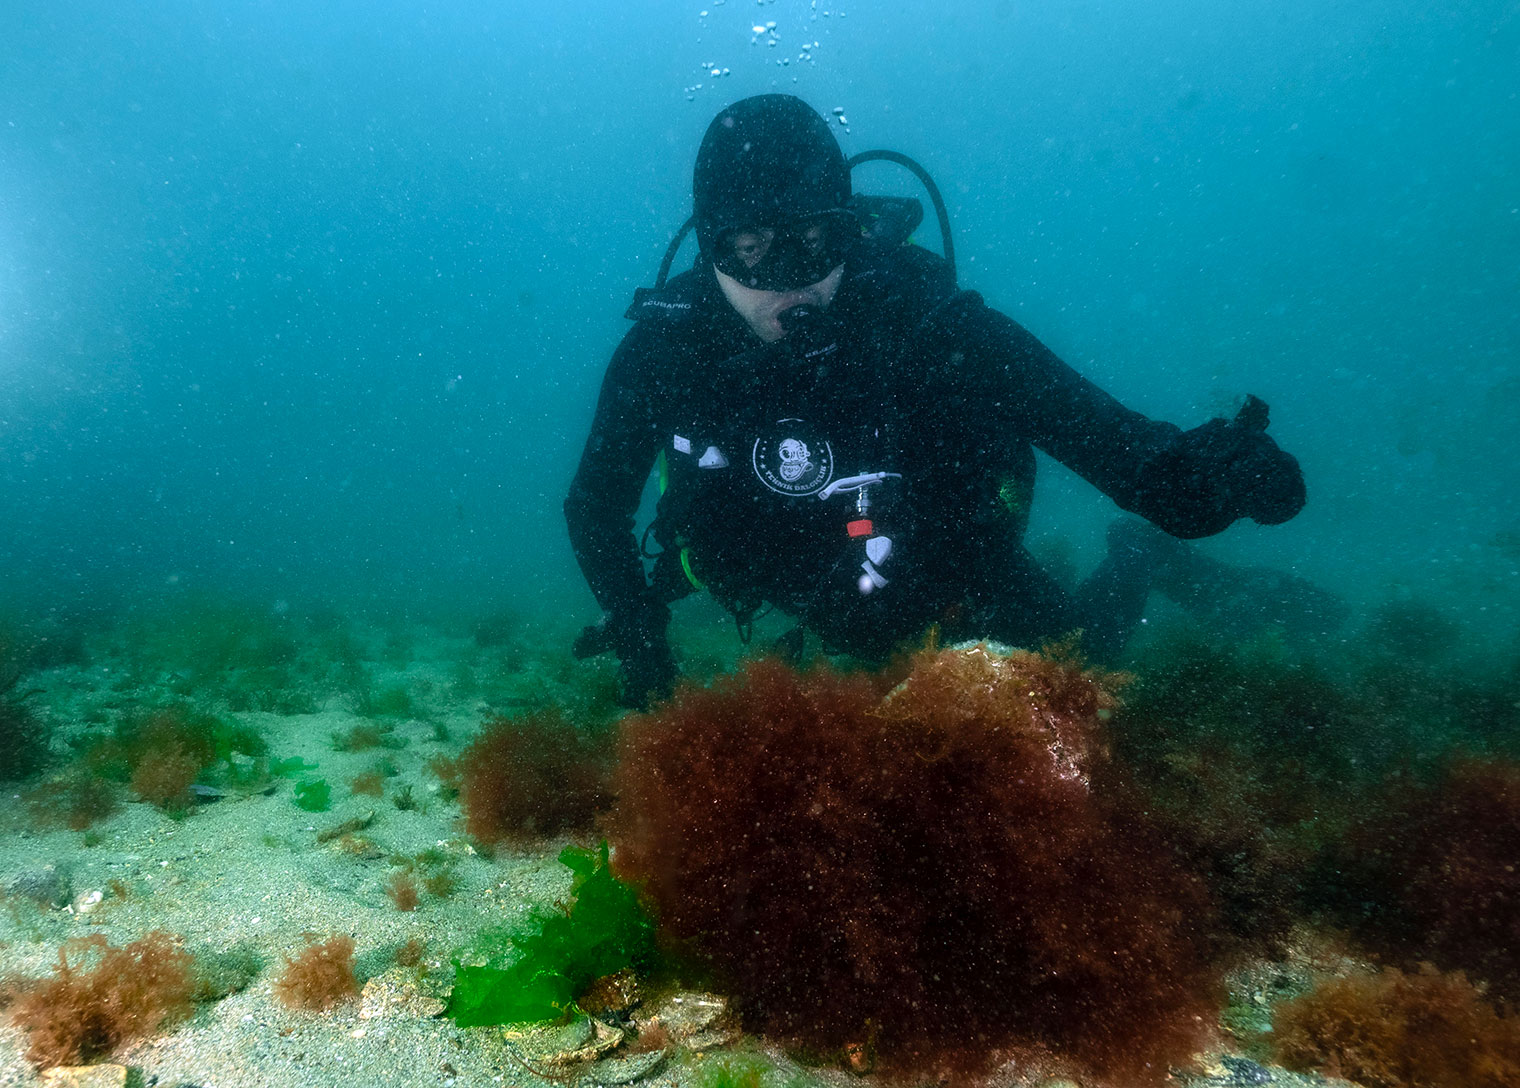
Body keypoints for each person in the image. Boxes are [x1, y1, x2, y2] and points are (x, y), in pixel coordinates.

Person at [565, 94, 1311, 709]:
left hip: (949, 573)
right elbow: (594, 505)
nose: (790, 280)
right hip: (793, 582)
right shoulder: (668, 351)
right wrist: (639, 637)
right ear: (709, 249)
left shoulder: (927, 322)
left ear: (850, 231)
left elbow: (1115, 447)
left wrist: (1202, 482)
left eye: (816, 240)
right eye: (752, 248)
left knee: (1078, 673)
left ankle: (1135, 559)